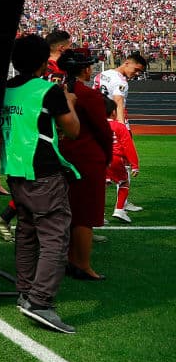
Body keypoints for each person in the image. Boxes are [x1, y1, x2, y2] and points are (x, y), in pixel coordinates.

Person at [0, 34, 80, 334]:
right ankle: (40, 302)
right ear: (43, 61)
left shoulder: (5, 90)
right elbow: (72, 130)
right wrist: (69, 101)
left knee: (27, 234)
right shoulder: (48, 91)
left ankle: (26, 292)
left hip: (16, 172)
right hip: (44, 173)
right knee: (55, 238)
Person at [58, 49, 113, 281]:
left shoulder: (59, 89)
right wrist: (106, 158)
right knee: (86, 214)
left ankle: (71, 259)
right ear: (85, 69)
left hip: (62, 156)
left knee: (70, 210)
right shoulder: (88, 95)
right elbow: (103, 131)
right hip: (87, 158)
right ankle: (82, 264)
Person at [94, 52, 147, 212]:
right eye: (136, 70)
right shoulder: (120, 81)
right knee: (124, 164)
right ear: (126, 63)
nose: (136, 74)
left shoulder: (102, 74)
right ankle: (121, 204)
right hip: (114, 123)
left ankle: (97, 207)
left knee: (100, 165)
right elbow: (118, 102)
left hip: (98, 123)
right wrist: (122, 127)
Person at [105, 97, 140, 223]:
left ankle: (98, 213)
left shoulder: (97, 125)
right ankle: (119, 210)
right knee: (124, 182)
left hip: (100, 160)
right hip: (115, 159)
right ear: (114, 112)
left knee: (102, 185)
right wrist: (135, 165)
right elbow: (128, 146)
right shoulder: (119, 127)